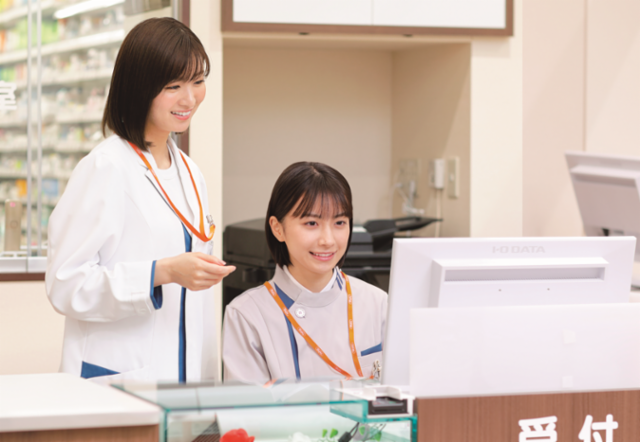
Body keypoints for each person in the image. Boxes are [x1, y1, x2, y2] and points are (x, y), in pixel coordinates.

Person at [45, 18, 234, 382]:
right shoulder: (106, 167)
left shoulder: (190, 172)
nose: (189, 98)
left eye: (197, 81)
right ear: (139, 87)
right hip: (119, 382)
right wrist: (161, 273)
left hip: (186, 384)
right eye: (173, 86)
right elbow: (65, 284)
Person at [222, 162, 387, 381]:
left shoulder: (378, 304)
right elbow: (247, 402)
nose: (328, 240)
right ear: (277, 228)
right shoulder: (246, 315)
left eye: (339, 222)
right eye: (311, 223)